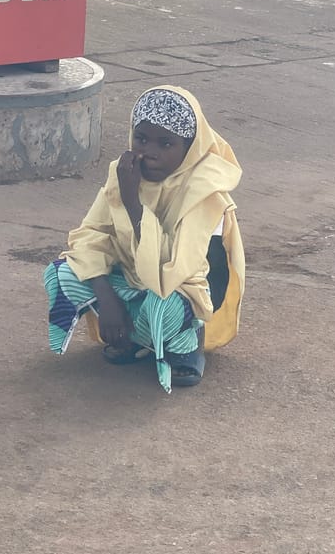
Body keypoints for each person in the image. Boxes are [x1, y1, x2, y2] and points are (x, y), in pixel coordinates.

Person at [43, 85, 245, 393]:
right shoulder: (123, 173)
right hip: (132, 279)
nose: (149, 152)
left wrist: (133, 204)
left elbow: (171, 269)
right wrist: (107, 298)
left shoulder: (206, 192)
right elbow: (89, 236)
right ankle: (133, 338)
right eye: (141, 138)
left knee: (160, 307)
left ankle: (185, 343)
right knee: (63, 273)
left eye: (166, 143)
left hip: (182, 290)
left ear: (189, 148)